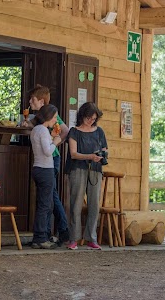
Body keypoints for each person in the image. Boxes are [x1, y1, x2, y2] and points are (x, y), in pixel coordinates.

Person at [23, 85, 70, 245]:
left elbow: (65, 130)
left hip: (50, 160)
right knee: (47, 200)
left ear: (41, 102)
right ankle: (46, 234)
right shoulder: (40, 127)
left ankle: (54, 231)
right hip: (45, 164)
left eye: (33, 99)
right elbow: (46, 148)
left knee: (50, 198)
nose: (30, 102)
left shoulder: (49, 117)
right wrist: (54, 142)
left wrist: (57, 141)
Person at [65, 102, 107, 250]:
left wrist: (102, 155)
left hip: (96, 170)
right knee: (76, 203)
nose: (91, 121)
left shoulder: (99, 131)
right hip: (78, 169)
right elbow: (73, 154)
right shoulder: (74, 132)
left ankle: (91, 237)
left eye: (94, 119)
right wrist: (90, 156)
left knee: (94, 204)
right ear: (82, 115)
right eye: (89, 118)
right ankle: (74, 238)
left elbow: (104, 149)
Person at [30, 104, 62, 249]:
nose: (55, 120)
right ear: (48, 116)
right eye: (54, 117)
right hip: (45, 169)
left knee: (44, 203)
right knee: (45, 205)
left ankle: (40, 236)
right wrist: (55, 142)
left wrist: (51, 137)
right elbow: (48, 151)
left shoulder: (36, 130)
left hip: (37, 167)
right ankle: (40, 237)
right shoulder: (43, 130)